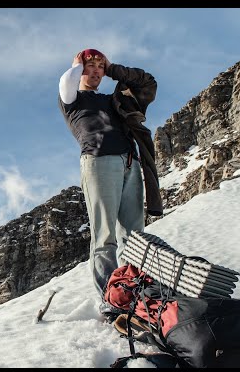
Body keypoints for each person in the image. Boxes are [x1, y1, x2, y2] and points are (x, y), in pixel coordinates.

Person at [58, 48, 163, 317]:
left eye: (98, 68)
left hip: (131, 163)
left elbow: (148, 82)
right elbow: (66, 82)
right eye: (88, 67)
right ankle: (110, 298)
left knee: (135, 236)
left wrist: (113, 68)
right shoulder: (71, 99)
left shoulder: (115, 100)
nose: (94, 72)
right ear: (79, 70)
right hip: (99, 161)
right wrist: (78, 64)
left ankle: (133, 291)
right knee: (105, 236)